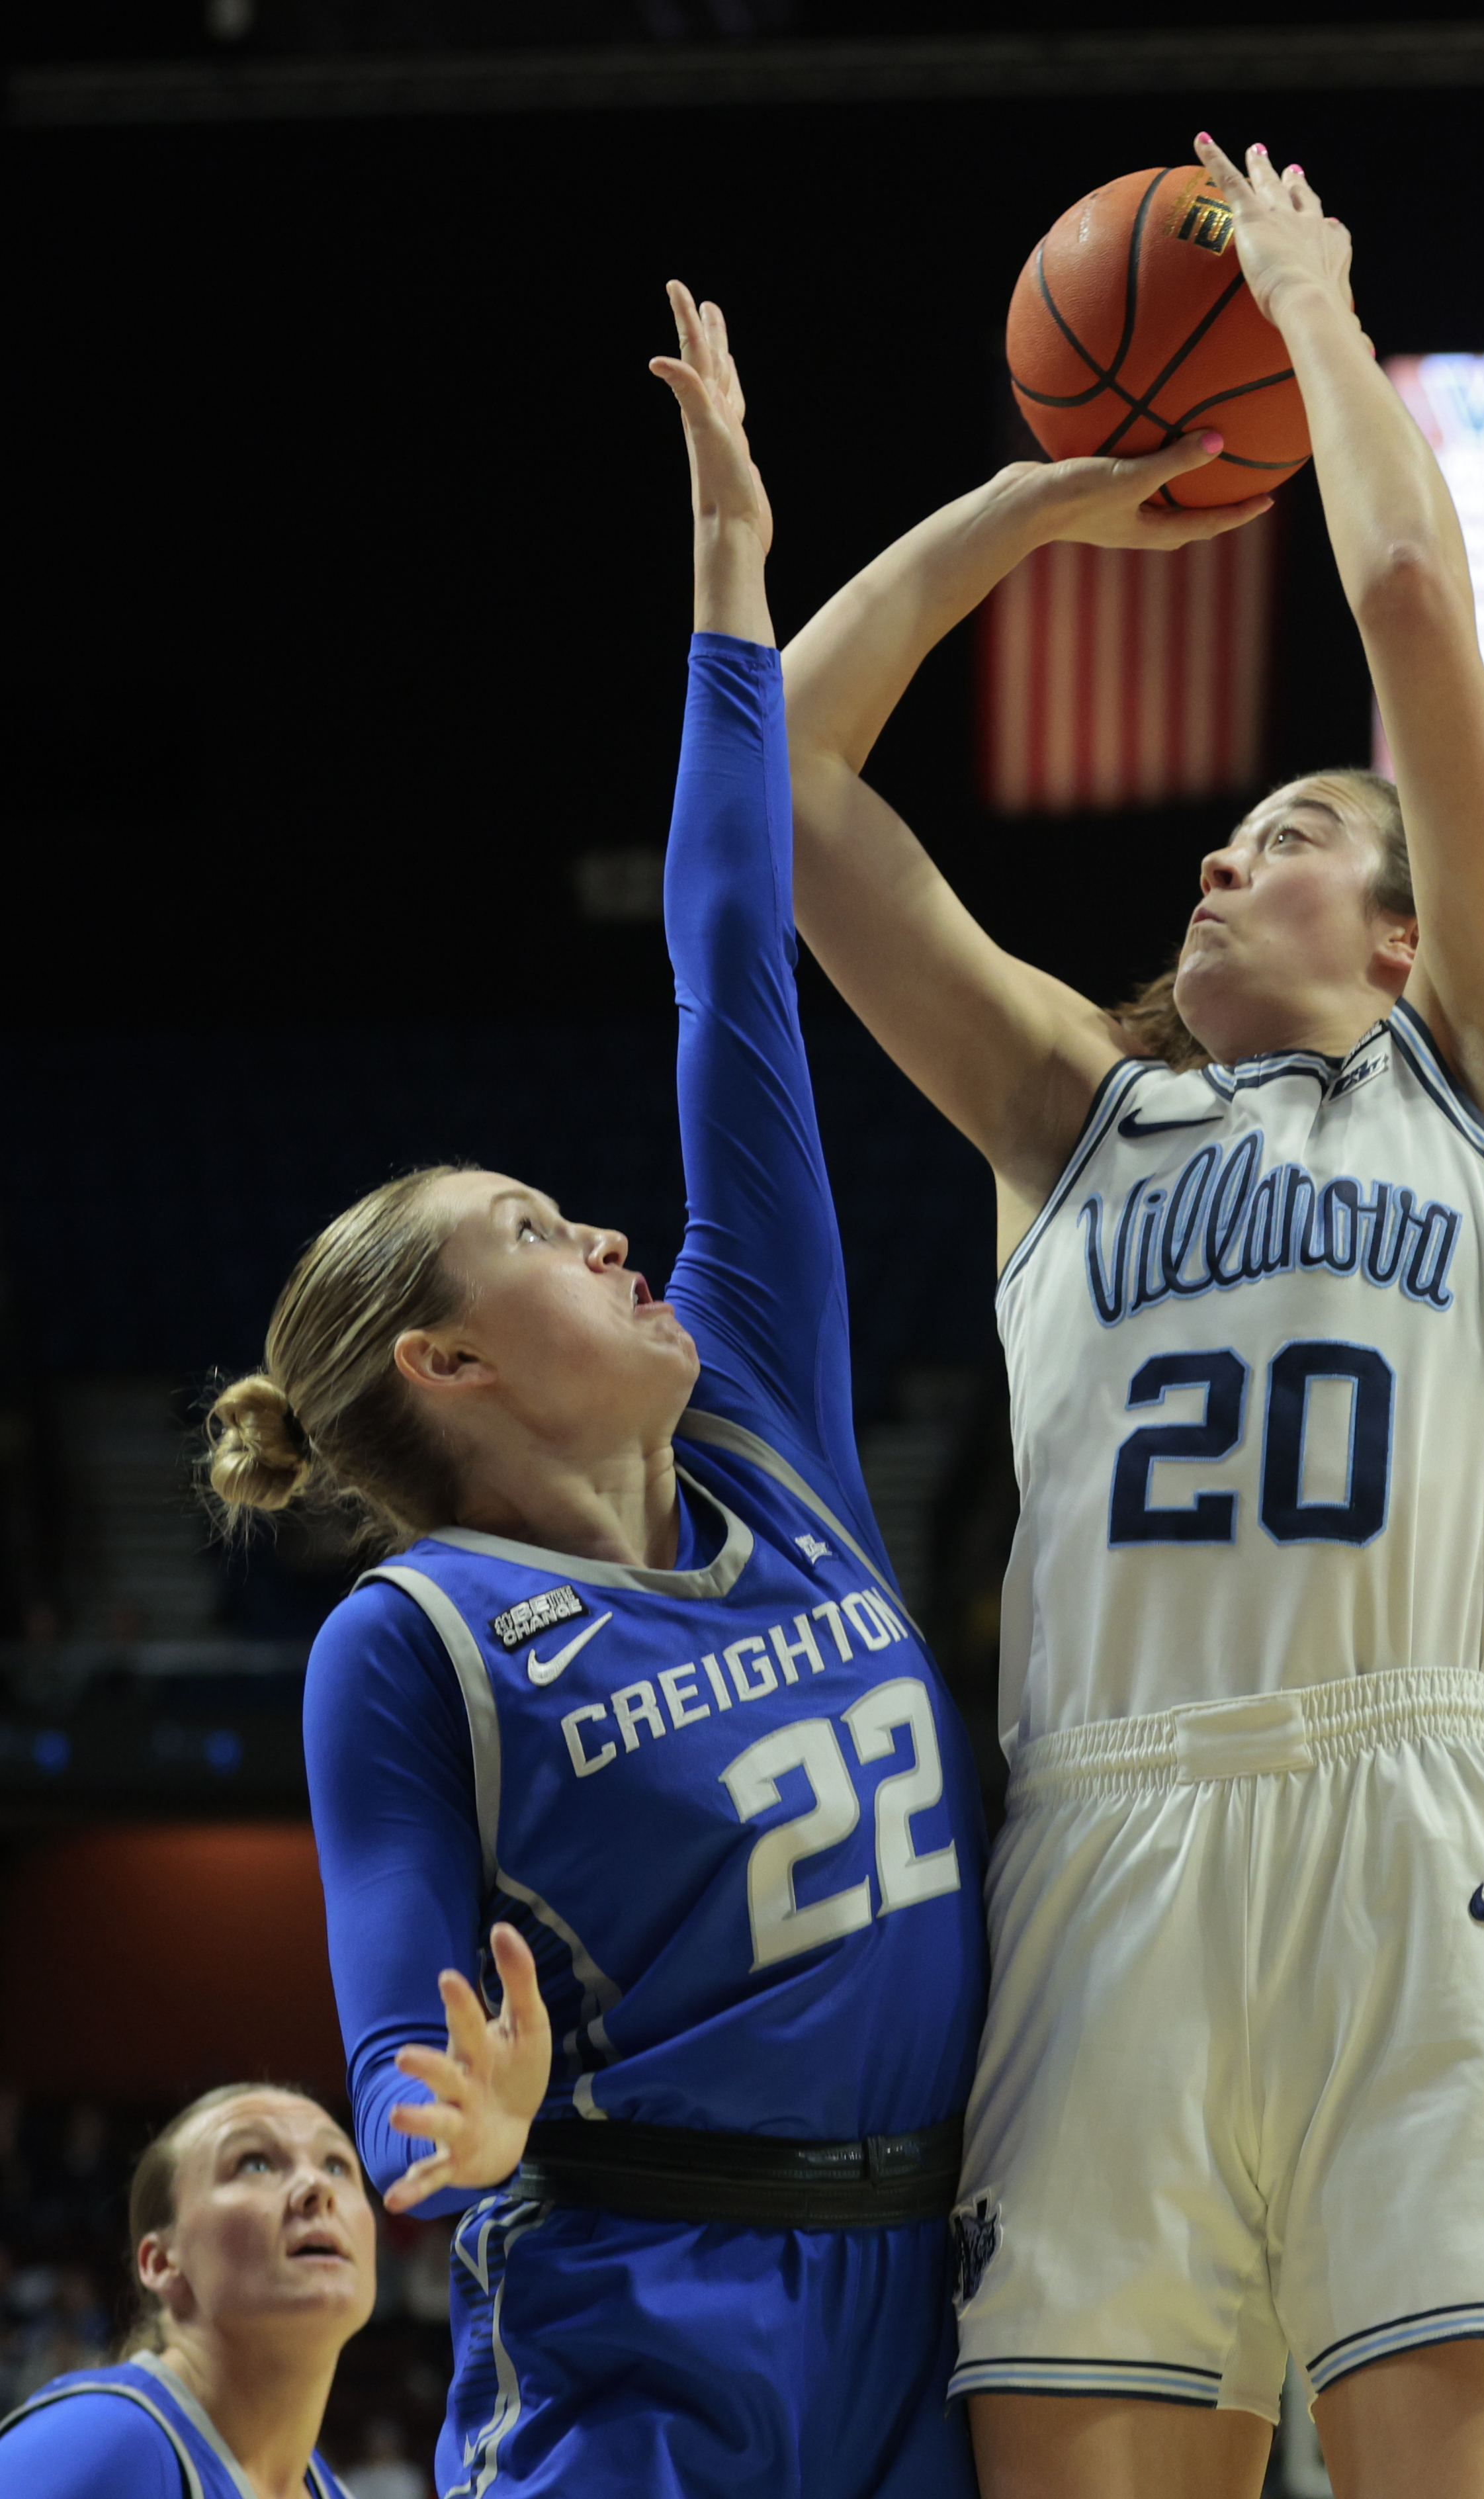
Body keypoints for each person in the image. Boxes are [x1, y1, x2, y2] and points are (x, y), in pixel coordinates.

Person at [783, 139, 1484, 2499]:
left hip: (1423, 1845)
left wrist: (1308, 307)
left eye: (1290, 830)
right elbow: (761, 780)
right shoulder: (1067, 1124)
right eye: (1224, 834)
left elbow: (1399, 588)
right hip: (1108, 1865)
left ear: (1405, 933)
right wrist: (1033, 505)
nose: (1219, 851)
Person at [200, 285, 986, 2499]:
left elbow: (726, 950)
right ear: (444, 1359)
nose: (616, 1236)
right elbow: (404, 2073)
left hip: (934, 2304)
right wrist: (459, 2126)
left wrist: (735, 561)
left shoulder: (771, 1423)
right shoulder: (413, 1640)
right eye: (544, 1230)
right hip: (655, 2337)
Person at [0, 2083, 372, 2498]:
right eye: (255, 2163)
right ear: (161, 2263)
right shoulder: (102, 2442)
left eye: (337, 2166)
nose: (316, 2187)